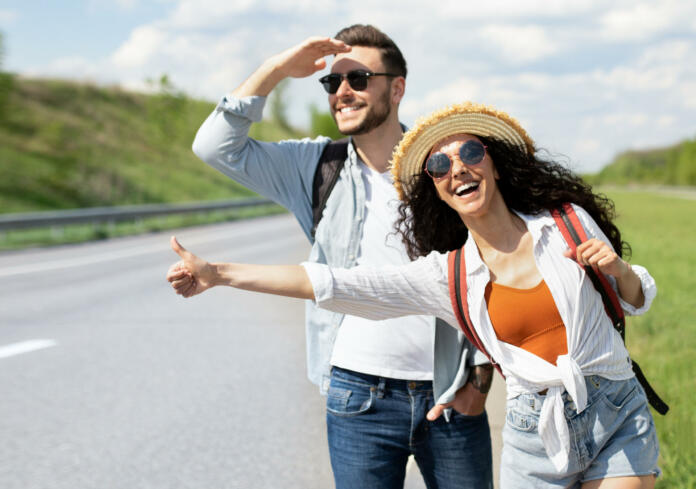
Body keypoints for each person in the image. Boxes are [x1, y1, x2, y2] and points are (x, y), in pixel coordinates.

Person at [169, 101, 661, 488]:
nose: (458, 169)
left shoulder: (566, 223)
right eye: (440, 165)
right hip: (536, 435)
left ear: (495, 162)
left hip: (615, 406)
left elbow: (636, 297)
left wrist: (619, 270)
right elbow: (331, 284)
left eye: (470, 154)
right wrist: (220, 272)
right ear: (435, 190)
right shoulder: (446, 276)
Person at [189, 25, 493, 489]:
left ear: (397, 88)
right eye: (333, 82)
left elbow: (490, 263)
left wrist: (481, 376)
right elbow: (213, 146)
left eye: (358, 79)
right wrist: (275, 69)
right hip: (358, 399)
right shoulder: (314, 167)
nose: (342, 92)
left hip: (450, 392)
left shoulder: (444, 166)